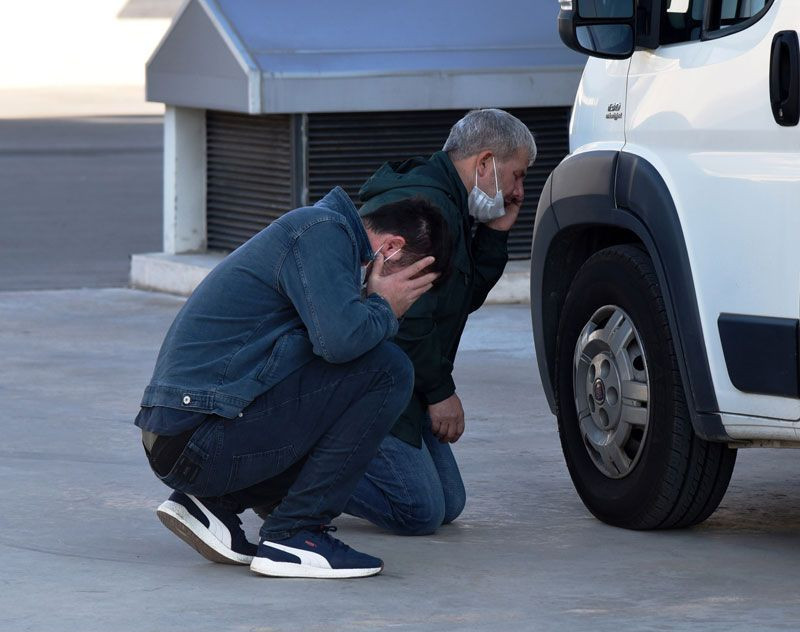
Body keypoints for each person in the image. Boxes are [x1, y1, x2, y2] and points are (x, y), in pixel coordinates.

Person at [135, 187, 450, 578]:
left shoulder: (326, 240)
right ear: (391, 249)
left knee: (355, 381)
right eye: (411, 287)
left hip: (187, 437)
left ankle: (214, 504)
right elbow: (340, 343)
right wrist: (384, 306)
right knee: (389, 369)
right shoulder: (322, 232)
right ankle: (296, 533)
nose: (407, 302)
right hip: (194, 438)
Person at [342, 109, 537, 535]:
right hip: (367, 385)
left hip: (404, 380)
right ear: (485, 163)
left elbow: (458, 299)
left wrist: (496, 233)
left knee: (449, 503)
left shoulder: (449, 203)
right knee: (419, 511)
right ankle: (284, 476)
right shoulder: (423, 210)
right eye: (517, 175)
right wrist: (441, 393)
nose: (520, 191)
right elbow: (404, 319)